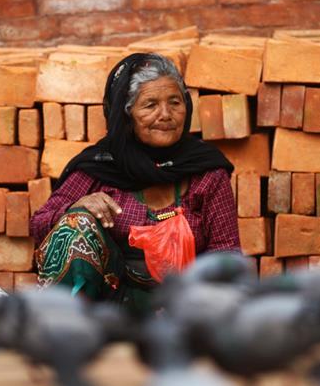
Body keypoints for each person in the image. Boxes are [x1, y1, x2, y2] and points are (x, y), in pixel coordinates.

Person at [29, 52, 240, 313]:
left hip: (185, 308)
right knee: (75, 223)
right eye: (150, 105)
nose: (166, 114)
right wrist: (76, 207)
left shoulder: (206, 170)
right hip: (110, 309)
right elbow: (39, 223)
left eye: (175, 102)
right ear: (126, 114)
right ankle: (70, 327)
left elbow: (226, 251)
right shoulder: (101, 166)